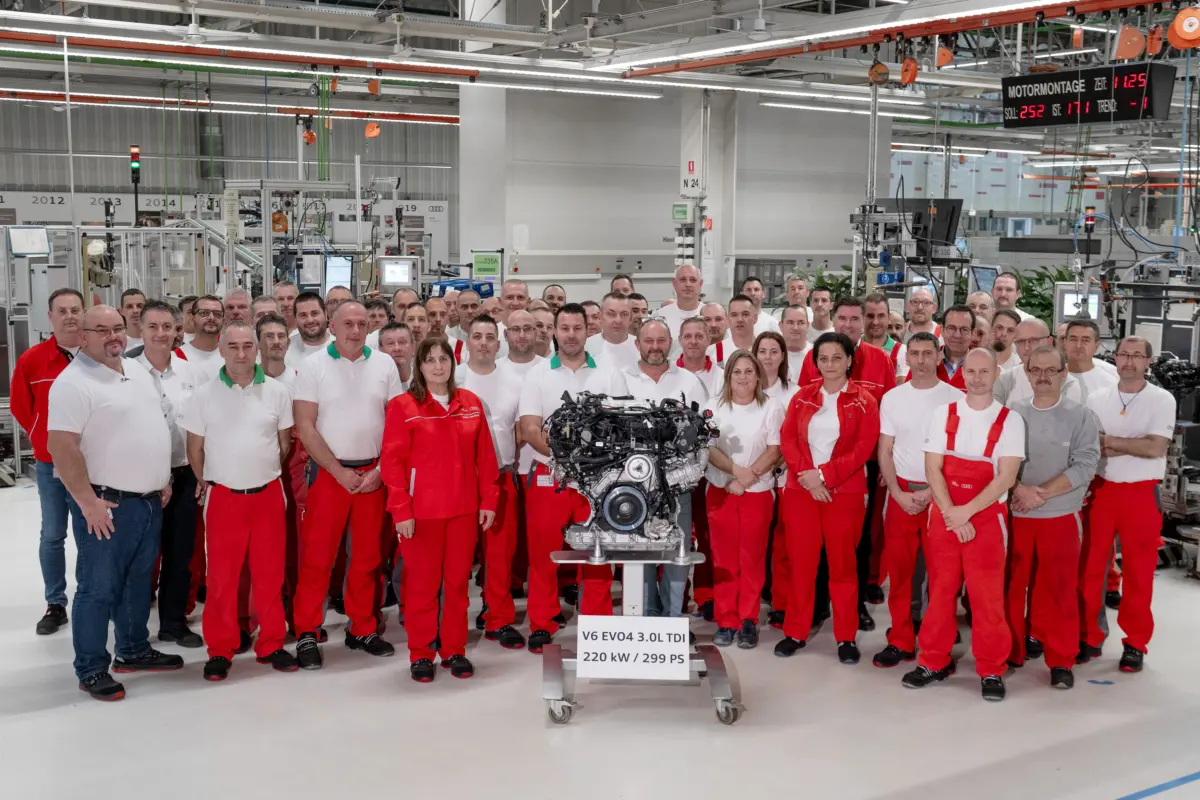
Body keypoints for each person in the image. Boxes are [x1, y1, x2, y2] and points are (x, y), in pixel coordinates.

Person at [46, 305, 182, 701]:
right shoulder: (73, 383)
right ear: (83, 336)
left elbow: (150, 424)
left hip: (148, 501)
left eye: (118, 328)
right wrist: (87, 502)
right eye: (101, 330)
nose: (113, 336)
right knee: (98, 588)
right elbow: (62, 447)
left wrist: (163, 478)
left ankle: (133, 650)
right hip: (107, 505)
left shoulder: (134, 369)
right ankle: (91, 668)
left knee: (138, 582)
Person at [903, 348, 1024, 702]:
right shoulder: (944, 414)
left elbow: (1006, 477)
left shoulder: (1010, 420)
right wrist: (952, 514)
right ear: (963, 373)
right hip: (945, 515)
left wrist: (965, 512)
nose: (976, 378)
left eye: (984, 371)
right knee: (941, 592)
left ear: (996, 373)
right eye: (970, 371)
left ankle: (991, 668)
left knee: (987, 597)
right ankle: (933, 661)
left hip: (985, 519)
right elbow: (932, 468)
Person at [182, 321, 298, 681]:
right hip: (225, 497)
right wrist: (213, 480)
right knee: (221, 578)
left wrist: (258, 470)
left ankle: (272, 643)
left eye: (248, 346)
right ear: (221, 350)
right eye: (233, 346)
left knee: (270, 574)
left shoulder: (278, 392)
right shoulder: (203, 395)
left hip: (267, 495)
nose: (241, 353)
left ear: (257, 349)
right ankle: (220, 647)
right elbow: (195, 449)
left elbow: (284, 444)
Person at [291, 301, 405, 669]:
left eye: (361, 324)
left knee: (368, 558)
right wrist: (337, 471)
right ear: (332, 326)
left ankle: (362, 627)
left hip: (372, 475)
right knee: (317, 558)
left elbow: (396, 424)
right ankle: (307, 631)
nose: (355, 330)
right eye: (348, 324)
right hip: (329, 475)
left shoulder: (384, 365)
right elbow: (305, 425)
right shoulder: (313, 366)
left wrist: (380, 471)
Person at [381, 336, 499, 681]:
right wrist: (401, 509)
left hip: (463, 512)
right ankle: (421, 652)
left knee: (458, 585)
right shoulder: (403, 406)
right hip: (421, 515)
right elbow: (392, 462)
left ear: (452, 363)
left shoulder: (470, 403)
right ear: (419, 366)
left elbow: (485, 458)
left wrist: (489, 500)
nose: (437, 366)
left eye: (443, 359)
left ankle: (453, 650)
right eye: (430, 360)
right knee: (422, 586)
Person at [518, 304, 624, 653]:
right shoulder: (537, 375)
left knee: (597, 553)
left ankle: (598, 624)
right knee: (543, 554)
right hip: (550, 475)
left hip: (597, 479)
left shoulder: (609, 373)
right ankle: (542, 622)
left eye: (577, 328)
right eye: (564, 328)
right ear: (554, 331)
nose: (571, 335)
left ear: (587, 331)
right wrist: (568, 458)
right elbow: (530, 428)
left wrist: (589, 462)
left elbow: (620, 426)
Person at [775, 332, 880, 662]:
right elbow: (788, 440)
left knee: (843, 566)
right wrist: (809, 477)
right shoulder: (802, 397)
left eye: (837, 357)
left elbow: (863, 448)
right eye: (823, 358)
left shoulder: (865, 401)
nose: (830, 364)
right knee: (801, 564)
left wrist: (823, 476)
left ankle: (845, 636)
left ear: (849, 360)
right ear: (816, 362)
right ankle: (795, 631)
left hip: (844, 493)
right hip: (801, 492)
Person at [1079, 336, 1176, 674]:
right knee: (1091, 569)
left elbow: (1155, 448)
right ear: (1116, 358)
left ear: (1148, 361)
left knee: (1139, 573)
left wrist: (1111, 442)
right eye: (1124, 354)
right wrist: (1133, 443)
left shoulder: (1161, 399)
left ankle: (1135, 643)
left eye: (1137, 355)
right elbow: (1092, 446)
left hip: (1141, 494)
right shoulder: (1098, 397)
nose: (1129, 361)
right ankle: (1090, 637)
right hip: (1101, 490)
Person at [1007, 345, 1099, 689]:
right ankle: (1011, 650)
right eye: (1036, 370)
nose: (1043, 377)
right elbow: (998, 461)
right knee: (1011, 586)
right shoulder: (1012, 413)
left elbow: (1085, 465)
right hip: (1017, 514)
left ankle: (1061, 658)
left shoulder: (1081, 416)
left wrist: (1039, 493)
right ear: (1027, 373)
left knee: (1060, 589)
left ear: (1064, 374)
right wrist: (1019, 490)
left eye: (1051, 370)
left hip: (1059, 516)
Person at [872, 332, 964, 668]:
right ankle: (900, 638)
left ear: (939, 356)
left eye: (928, 353)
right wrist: (897, 493)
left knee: (942, 576)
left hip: (941, 496)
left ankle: (936, 644)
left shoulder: (956, 398)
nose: (921, 360)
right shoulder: (893, 398)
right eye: (915, 353)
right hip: (901, 495)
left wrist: (931, 492)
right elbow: (885, 449)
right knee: (900, 574)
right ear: (907, 358)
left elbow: (957, 454)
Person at [616, 320, 706, 620]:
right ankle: (645, 618)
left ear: (670, 343)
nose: (655, 347)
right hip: (634, 485)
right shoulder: (620, 380)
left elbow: (703, 433)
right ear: (637, 344)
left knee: (677, 551)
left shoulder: (690, 382)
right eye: (649, 341)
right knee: (638, 551)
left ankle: (672, 619)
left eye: (661, 341)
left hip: (678, 483)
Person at [12, 287, 84, 635]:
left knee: (92, 534)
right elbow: (20, 406)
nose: (70, 316)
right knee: (53, 534)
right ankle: (55, 603)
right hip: (50, 464)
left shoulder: (97, 355)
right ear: (51, 317)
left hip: (92, 464)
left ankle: (91, 597)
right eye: (62, 310)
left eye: (75, 309)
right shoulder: (32, 359)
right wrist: (42, 437)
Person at [703, 350, 783, 649]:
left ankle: (748, 619)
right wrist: (735, 474)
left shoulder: (771, 407)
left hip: (757, 493)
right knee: (724, 559)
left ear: (758, 375)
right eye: (737, 371)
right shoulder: (713, 407)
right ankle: (726, 619)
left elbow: (775, 449)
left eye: (749, 371)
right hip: (722, 491)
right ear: (728, 376)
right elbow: (708, 448)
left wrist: (748, 478)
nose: (743, 377)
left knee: (752, 559)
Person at [135, 300, 203, 648]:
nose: (161, 333)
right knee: (141, 557)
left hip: (184, 473)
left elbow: (201, 423)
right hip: (142, 479)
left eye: (167, 327)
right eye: (153, 326)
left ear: (177, 330)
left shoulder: (189, 372)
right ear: (141, 329)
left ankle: (173, 623)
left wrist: (202, 472)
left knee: (180, 553)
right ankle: (132, 632)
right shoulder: (127, 371)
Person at [457, 315, 525, 651]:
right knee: (457, 557)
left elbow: (520, 430)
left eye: (489, 337)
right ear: (467, 341)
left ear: (499, 344)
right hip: (459, 480)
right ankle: (452, 622)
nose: (483, 342)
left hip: (500, 476)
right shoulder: (453, 377)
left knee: (499, 554)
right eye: (477, 336)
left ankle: (499, 617)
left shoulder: (515, 380)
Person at [754, 331, 798, 628]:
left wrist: (778, 463)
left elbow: (797, 437)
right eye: (762, 351)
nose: (768, 357)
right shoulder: (744, 388)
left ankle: (782, 603)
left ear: (783, 356)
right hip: (752, 478)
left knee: (783, 545)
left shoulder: (795, 393)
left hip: (784, 478)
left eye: (774, 351)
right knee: (756, 545)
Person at [994, 318, 1084, 406]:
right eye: (1021, 342)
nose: (1026, 347)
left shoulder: (1068, 384)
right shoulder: (1004, 380)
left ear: (1049, 341)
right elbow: (995, 414)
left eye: (1033, 340)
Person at [923, 305, 974, 390]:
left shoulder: (986, 366)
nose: (957, 335)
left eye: (964, 329)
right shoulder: (923, 362)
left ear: (973, 333)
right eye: (951, 328)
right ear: (942, 330)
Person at [1064, 319, 1118, 396]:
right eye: (1073, 339)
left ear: (1096, 346)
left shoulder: (1110, 384)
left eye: (1085, 340)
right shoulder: (1052, 378)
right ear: (1065, 342)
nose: (1078, 345)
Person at [586, 293, 639, 371]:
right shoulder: (586, 347)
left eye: (624, 314)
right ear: (600, 317)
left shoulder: (642, 347)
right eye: (611, 314)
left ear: (630, 318)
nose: (618, 320)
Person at [179, 295, 226, 379]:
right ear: (192, 318)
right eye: (203, 313)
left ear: (223, 320)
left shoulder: (232, 355)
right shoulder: (176, 357)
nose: (211, 317)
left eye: (217, 314)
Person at [656, 264, 704, 343]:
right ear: (674, 283)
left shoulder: (711, 316)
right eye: (683, 279)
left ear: (700, 283)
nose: (688, 284)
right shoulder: (660, 316)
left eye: (693, 280)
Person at [677, 316, 722, 398]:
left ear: (709, 340)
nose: (693, 342)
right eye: (687, 336)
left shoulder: (722, 378)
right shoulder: (667, 375)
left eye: (699, 336)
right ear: (680, 340)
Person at [285, 292, 332, 368]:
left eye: (315, 313)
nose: (310, 320)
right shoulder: (286, 349)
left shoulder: (340, 347)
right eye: (303, 315)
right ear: (295, 319)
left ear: (325, 314)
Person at [862, 292, 904, 378]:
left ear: (889, 317)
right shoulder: (852, 348)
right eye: (870, 316)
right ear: (862, 317)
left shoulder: (902, 352)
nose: (875, 322)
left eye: (881, 316)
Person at [779, 305, 812, 380]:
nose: (795, 327)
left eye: (801, 322)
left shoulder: (817, 354)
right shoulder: (771, 355)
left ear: (807, 325)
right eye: (790, 322)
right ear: (781, 325)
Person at [377, 322, 415, 389]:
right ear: (380, 350)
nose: (397, 348)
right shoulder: (373, 382)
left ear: (413, 347)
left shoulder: (426, 380)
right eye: (390, 343)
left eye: (402, 342)